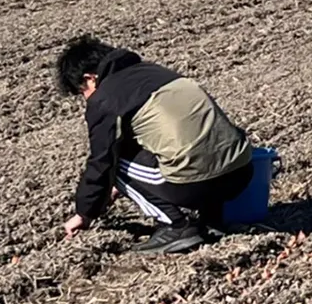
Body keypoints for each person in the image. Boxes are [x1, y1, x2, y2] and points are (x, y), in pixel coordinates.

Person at [56, 36, 254, 255]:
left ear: (90, 78)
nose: (85, 98)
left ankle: (176, 226)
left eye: (81, 91)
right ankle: (213, 220)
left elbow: (101, 162)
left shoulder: (104, 97)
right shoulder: (155, 72)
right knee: (190, 143)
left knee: (115, 161)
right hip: (242, 173)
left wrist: (84, 213)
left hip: (196, 185)